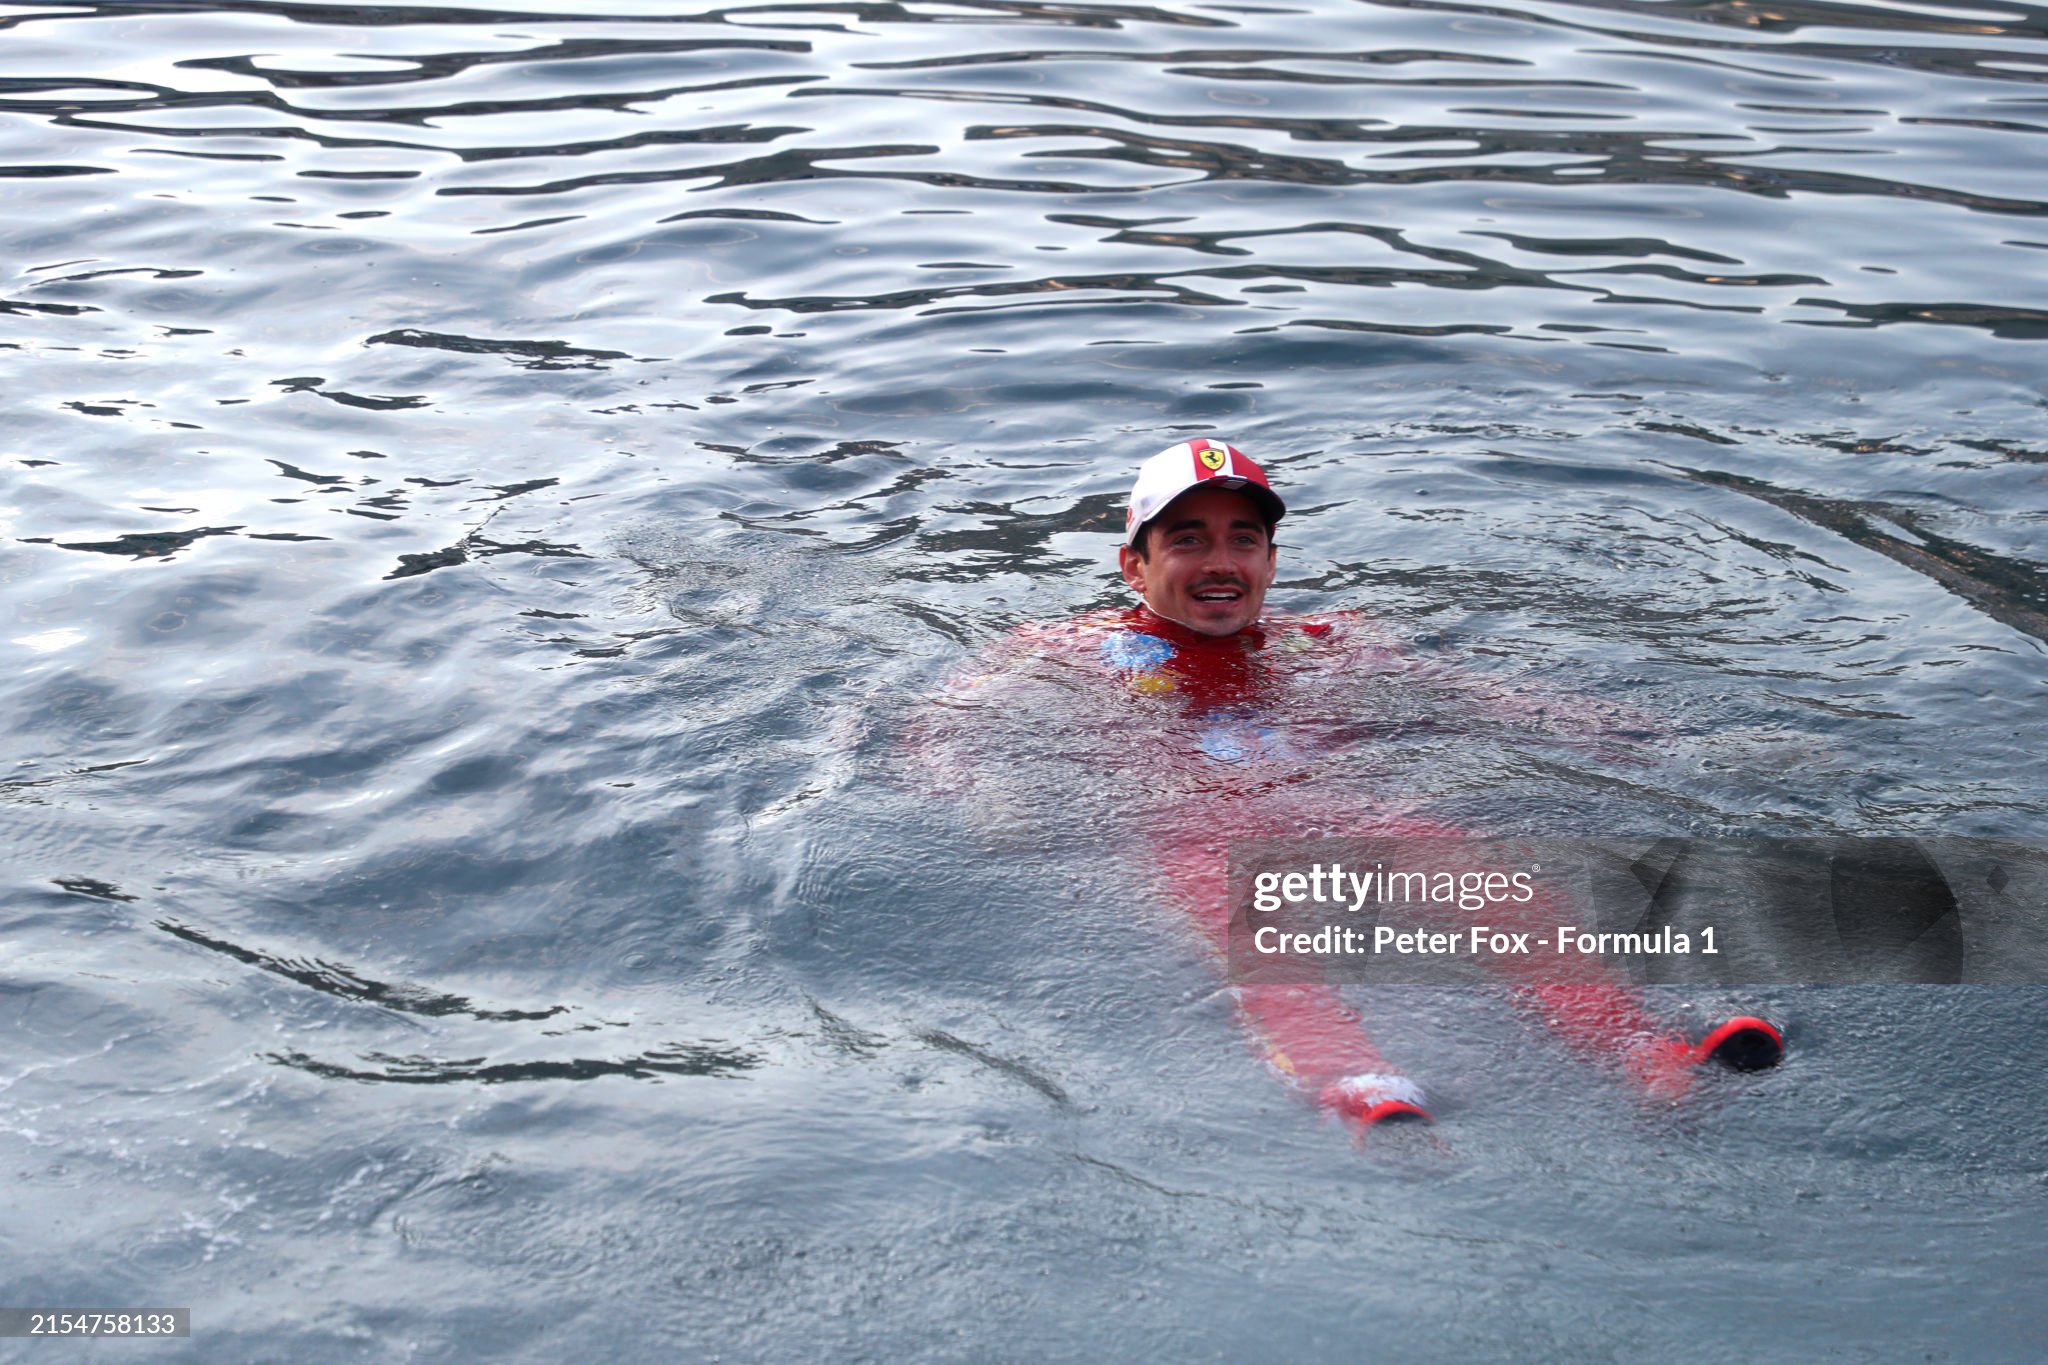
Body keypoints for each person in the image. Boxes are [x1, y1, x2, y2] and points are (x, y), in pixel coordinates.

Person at [923, 438, 1784, 1130]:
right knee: (1263, 943)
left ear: (1270, 558)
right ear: (1133, 565)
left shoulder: (1325, 641)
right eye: (1187, 539)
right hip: (1182, 828)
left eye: (1243, 539)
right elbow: (940, 727)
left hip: (1337, 808)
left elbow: (1481, 699)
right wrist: (990, 794)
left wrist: (1635, 738)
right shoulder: (1059, 651)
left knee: (1493, 884)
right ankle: (1353, 1083)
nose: (1220, 561)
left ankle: (1637, 1048)